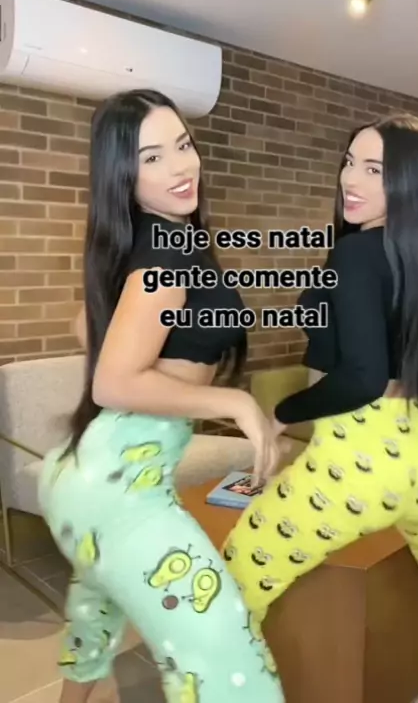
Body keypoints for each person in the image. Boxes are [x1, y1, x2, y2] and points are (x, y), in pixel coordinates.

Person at [37, 89, 285, 703]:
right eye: (151, 158)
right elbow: (112, 382)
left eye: (183, 145)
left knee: (95, 616)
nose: (180, 167)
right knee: (228, 662)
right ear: (123, 176)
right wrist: (236, 404)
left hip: (89, 474)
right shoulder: (164, 253)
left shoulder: (158, 241)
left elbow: (85, 329)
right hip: (121, 488)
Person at [222, 114, 418, 701]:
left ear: (407, 182)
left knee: (238, 573)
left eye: (375, 170)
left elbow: (361, 378)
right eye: (349, 163)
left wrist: (280, 414)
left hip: (360, 458)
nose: (351, 180)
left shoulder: (358, 254)